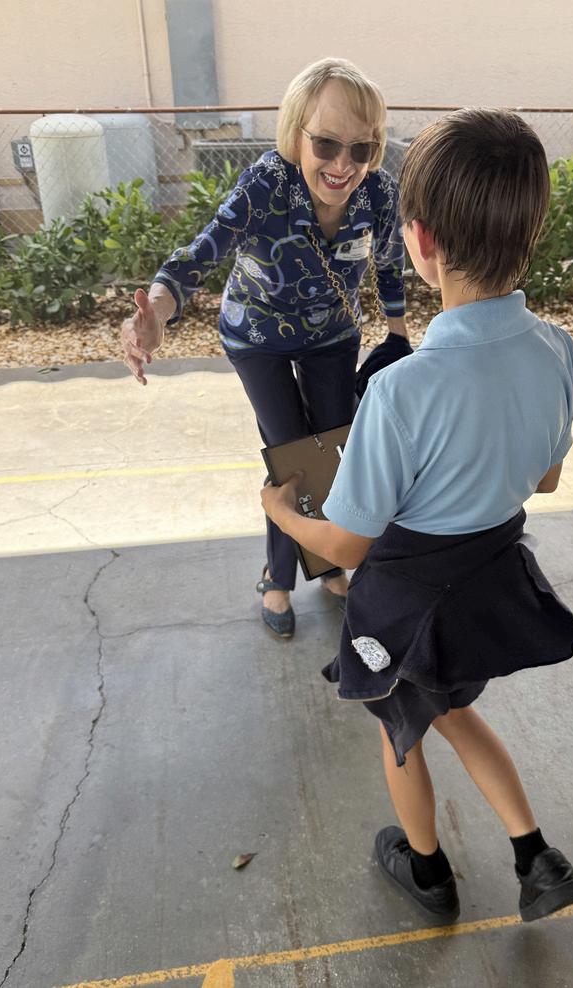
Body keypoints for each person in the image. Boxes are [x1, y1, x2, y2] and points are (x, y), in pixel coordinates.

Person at [261, 108, 573, 923]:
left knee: (399, 731)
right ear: (530, 234)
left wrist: (282, 515)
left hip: (405, 605)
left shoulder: (400, 390)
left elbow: (347, 542)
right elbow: (546, 478)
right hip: (489, 585)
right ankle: (534, 856)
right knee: (451, 709)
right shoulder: (555, 347)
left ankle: (427, 869)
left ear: (420, 241)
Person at [120, 58, 407, 638]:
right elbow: (196, 258)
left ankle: (325, 561)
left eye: (363, 148)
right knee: (290, 452)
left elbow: (390, 262)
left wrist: (398, 332)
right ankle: (277, 575)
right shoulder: (266, 184)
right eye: (327, 144)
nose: (344, 165)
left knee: (332, 449)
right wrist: (157, 316)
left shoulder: (378, 191)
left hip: (331, 333)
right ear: (297, 132)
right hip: (257, 336)